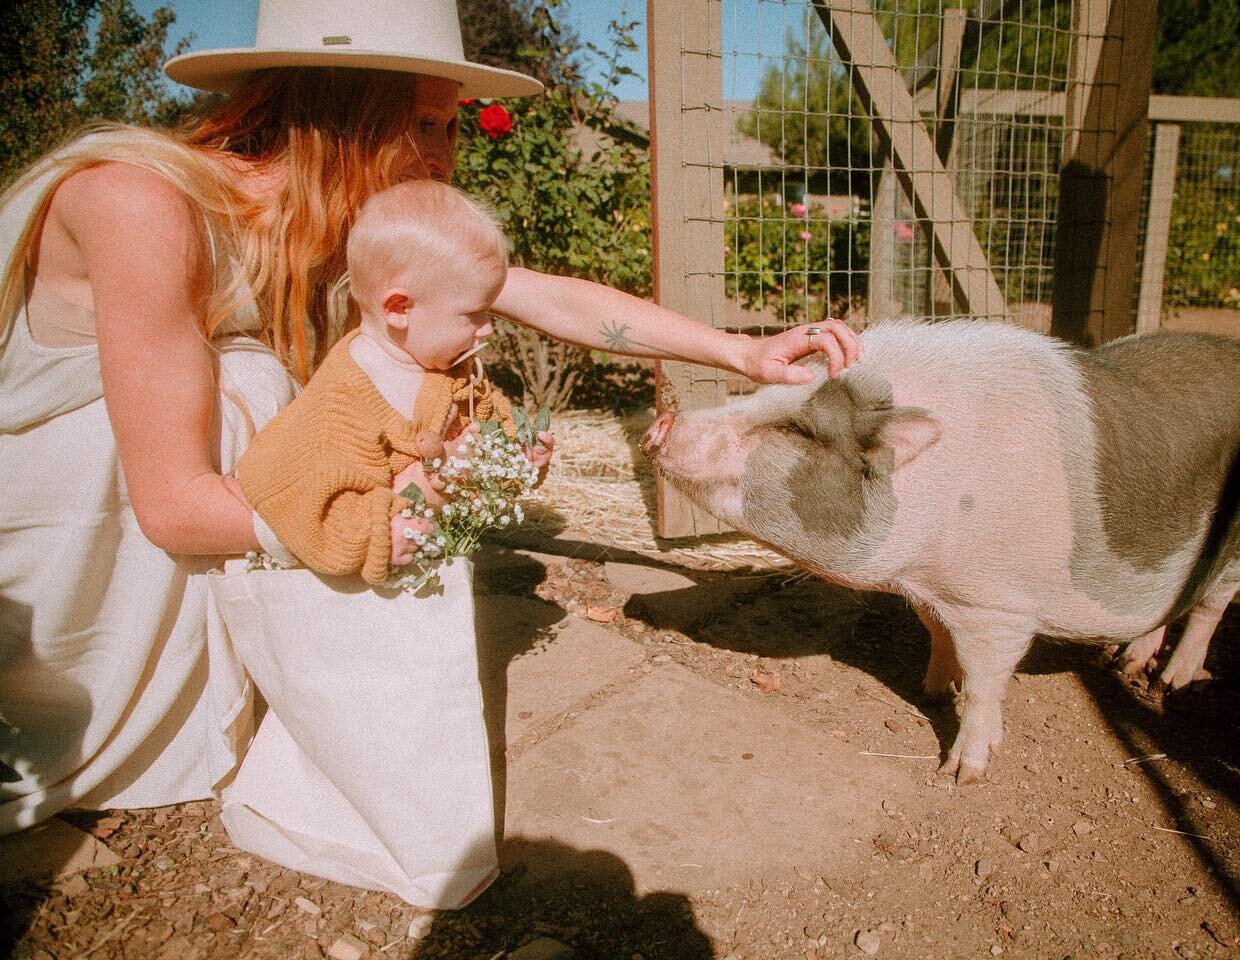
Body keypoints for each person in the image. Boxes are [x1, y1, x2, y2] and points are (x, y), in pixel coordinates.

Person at [0, 0, 860, 837]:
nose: (447, 157)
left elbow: (542, 297)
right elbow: (174, 505)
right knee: (262, 383)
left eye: (452, 127)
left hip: (190, 512)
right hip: (63, 532)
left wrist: (741, 354)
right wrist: (378, 525)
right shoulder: (139, 203)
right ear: (341, 110)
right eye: (423, 123)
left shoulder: (350, 222)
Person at [234, 179, 550, 585]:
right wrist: (378, 532)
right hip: (361, 595)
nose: (488, 329)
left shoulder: (450, 370)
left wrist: (518, 456)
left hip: (433, 571)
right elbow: (307, 500)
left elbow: (491, 429)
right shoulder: (342, 403)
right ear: (399, 308)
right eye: (474, 314)